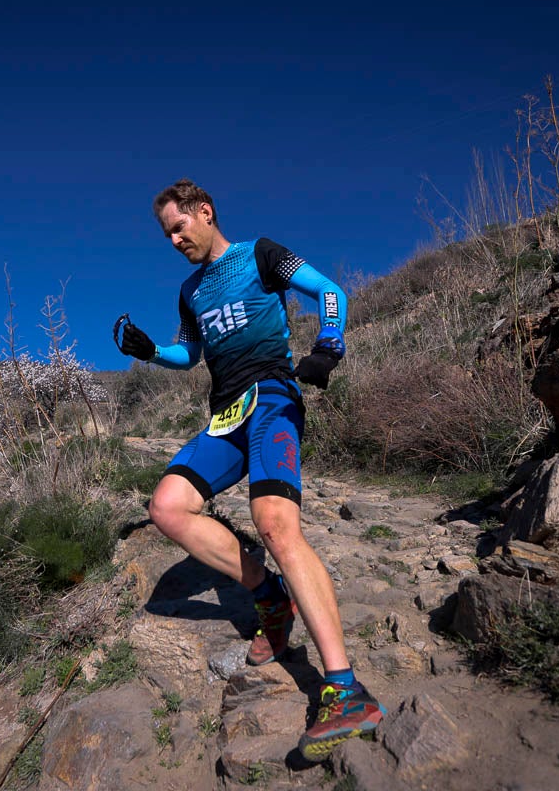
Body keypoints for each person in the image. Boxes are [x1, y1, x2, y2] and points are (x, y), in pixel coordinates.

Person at [114, 178, 385, 761]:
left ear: (204, 212)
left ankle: (346, 691)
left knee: (275, 524)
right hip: (224, 416)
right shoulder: (190, 291)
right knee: (166, 507)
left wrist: (328, 347)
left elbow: (328, 290)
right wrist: (148, 351)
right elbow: (192, 353)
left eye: (179, 226)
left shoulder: (259, 254)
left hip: (272, 399)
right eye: (167, 234)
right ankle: (268, 596)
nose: (174, 239)